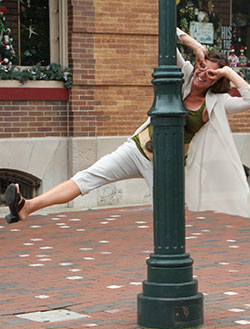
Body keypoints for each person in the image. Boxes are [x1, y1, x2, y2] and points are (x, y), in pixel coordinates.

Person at [4, 28, 250, 224]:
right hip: (137, 148)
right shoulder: (185, 72)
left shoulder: (217, 103)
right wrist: (196, 46)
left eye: (211, 73)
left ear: (217, 79)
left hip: (165, 168)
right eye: (202, 67)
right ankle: (28, 207)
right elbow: (165, 31)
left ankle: (169, 269)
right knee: (86, 178)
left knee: (167, 222)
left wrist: (229, 72)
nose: (203, 73)